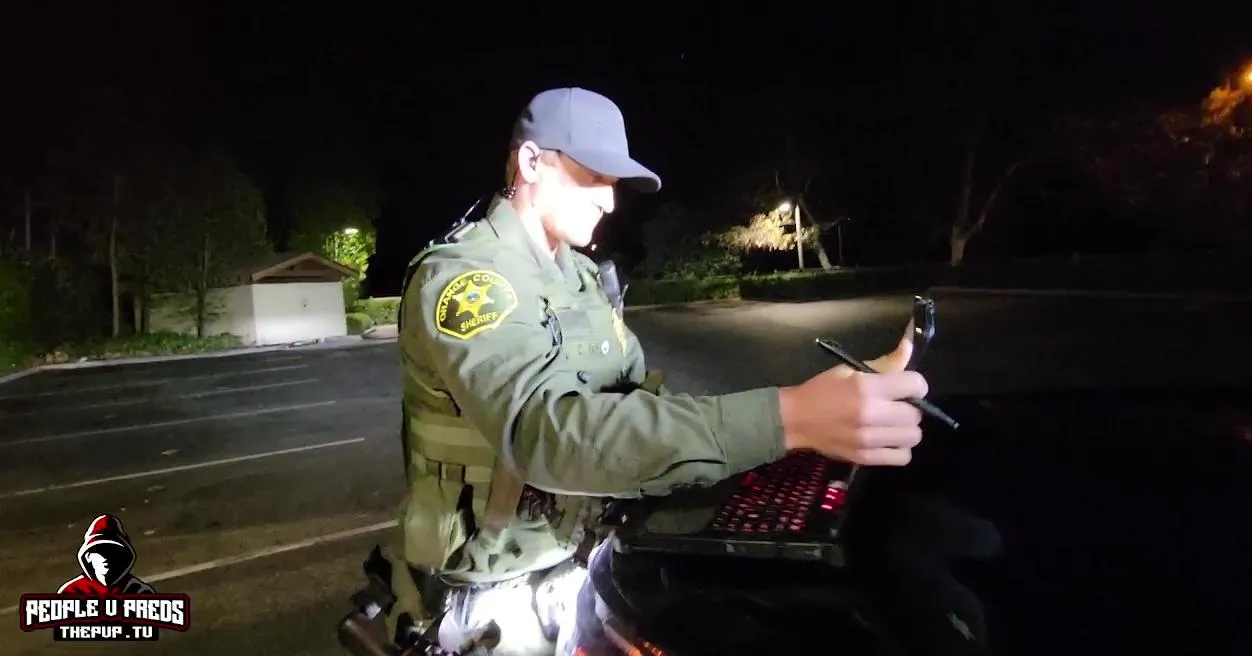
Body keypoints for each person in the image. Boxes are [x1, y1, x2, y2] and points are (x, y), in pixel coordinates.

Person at [382, 86, 931, 655]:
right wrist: (786, 417)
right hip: (495, 601)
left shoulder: (579, 276)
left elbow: (632, 406)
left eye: (614, 183)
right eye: (594, 175)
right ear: (531, 162)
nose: (609, 201)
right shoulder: (469, 280)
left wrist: (806, 418)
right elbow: (545, 435)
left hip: (584, 565)